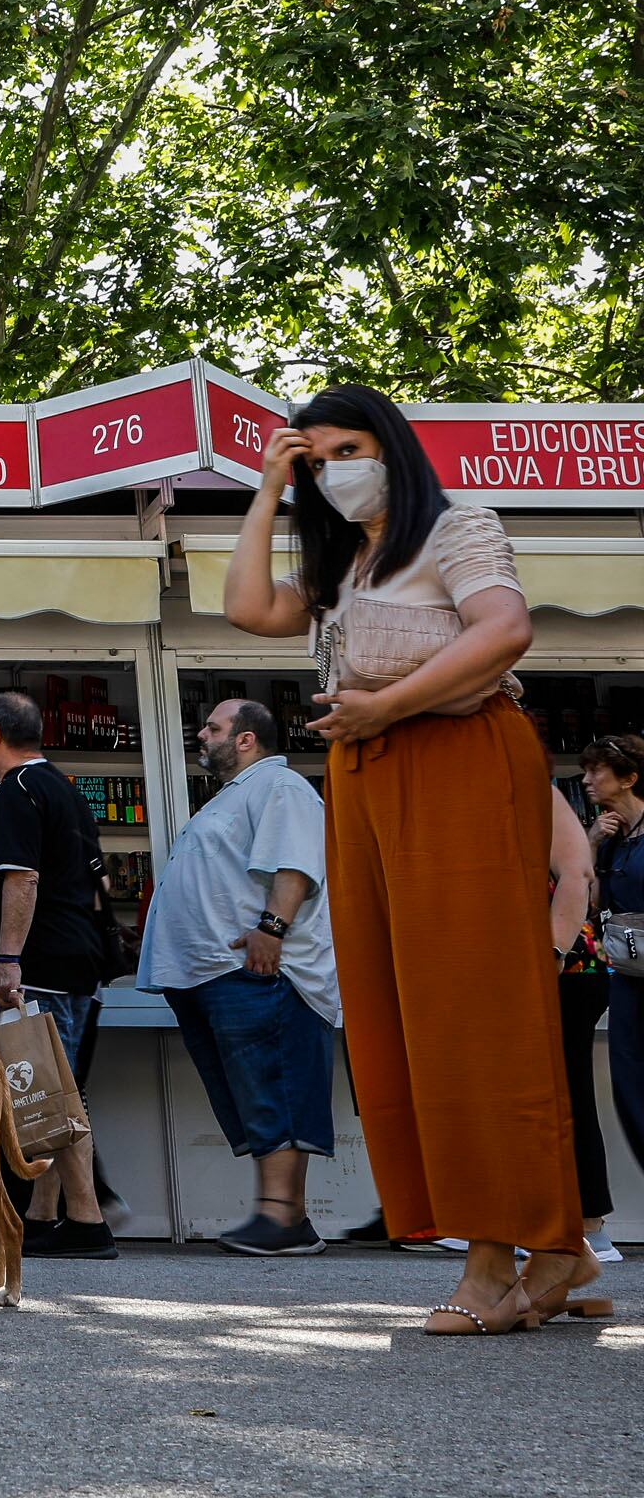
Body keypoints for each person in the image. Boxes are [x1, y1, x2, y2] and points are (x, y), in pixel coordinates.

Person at [226, 384, 593, 1333]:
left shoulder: (455, 525)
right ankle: (551, 1245)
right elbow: (244, 609)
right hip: (368, 774)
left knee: (470, 1011)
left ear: (393, 443)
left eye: (352, 445)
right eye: (321, 456)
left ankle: (496, 1255)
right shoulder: (346, 561)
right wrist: (269, 487)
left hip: (455, 756)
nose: (338, 467)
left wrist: (387, 706)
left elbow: (506, 629)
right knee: (397, 1012)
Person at [138, 700, 337, 1256]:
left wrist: (271, 929)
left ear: (246, 740)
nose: (202, 735)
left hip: (258, 969)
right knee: (250, 1091)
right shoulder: (233, 796)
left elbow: (296, 862)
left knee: (273, 1083)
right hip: (214, 972)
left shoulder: (282, 787)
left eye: (213, 727)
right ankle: (283, 1217)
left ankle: (282, 1217)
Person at [0, 690, 114, 1259]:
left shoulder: (20, 789)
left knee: (54, 1094)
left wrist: (6, 960)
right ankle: (46, 1214)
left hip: (41, 963)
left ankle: (87, 1221)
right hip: (69, 958)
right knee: (49, 1091)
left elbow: (20, 878)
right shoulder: (63, 789)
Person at [546, 783, 617, 1264]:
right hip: (574, 968)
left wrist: (551, 955)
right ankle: (587, 1224)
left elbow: (578, 877)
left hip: (566, 971)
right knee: (563, 1092)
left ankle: (591, 1225)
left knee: (567, 1092)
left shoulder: (534, 797)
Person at [582, 732, 644, 1258]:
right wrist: (595, 842)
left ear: (629, 777)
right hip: (625, 978)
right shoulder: (613, 835)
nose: (587, 779)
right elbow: (587, 896)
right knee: (630, 1087)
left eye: (597, 771)